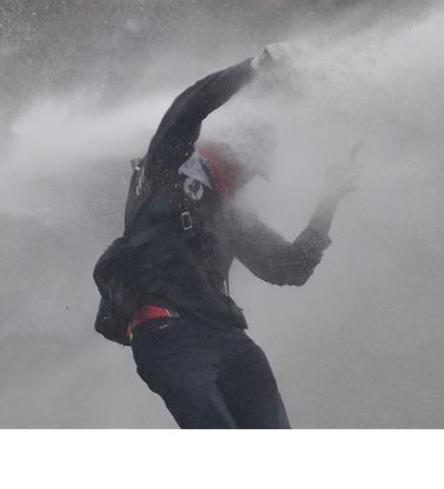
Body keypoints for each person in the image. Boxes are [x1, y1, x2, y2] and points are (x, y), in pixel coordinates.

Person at [93, 43, 359, 428]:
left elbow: (290, 267)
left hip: (228, 339)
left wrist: (330, 198)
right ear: (229, 149)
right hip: (168, 336)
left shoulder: (232, 213)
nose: (250, 178)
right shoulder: (165, 168)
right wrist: (253, 69)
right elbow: (191, 103)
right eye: (249, 167)